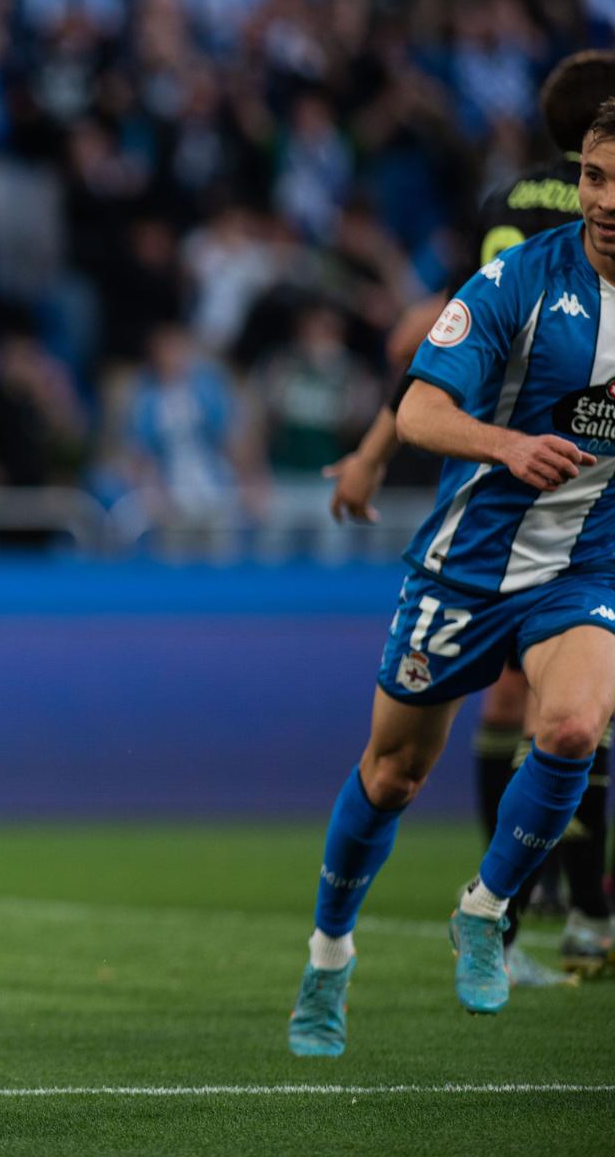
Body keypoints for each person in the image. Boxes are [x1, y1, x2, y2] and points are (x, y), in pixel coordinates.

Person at [287, 97, 615, 1057]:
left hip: (582, 566)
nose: (604, 201)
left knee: (570, 725)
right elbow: (424, 410)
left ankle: (487, 909)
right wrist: (507, 444)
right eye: (595, 177)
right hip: (468, 565)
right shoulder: (518, 277)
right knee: (392, 775)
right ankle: (328, 958)